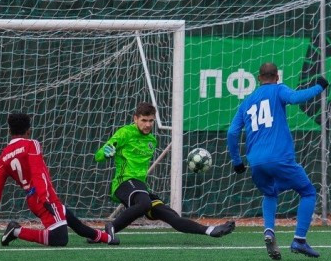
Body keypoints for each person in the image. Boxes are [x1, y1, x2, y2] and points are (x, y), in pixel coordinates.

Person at [227, 62, 328, 260]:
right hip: (279, 158)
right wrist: (320, 86)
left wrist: (237, 161)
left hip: (255, 161)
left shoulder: (246, 101)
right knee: (308, 192)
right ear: (277, 77)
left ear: (258, 78)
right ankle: (299, 240)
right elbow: (296, 97)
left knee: (269, 193)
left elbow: (232, 132)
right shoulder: (279, 90)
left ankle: (269, 230)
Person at [0, 113, 118, 246]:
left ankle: (107, 238)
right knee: (59, 239)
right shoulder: (31, 144)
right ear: (28, 130)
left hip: (32, 198)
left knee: (72, 221)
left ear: (9, 132)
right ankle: (16, 231)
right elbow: (38, 172)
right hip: (43, 197)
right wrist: (44, 197)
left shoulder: (4, 155)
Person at [95, 102, 235, 241]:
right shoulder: (124, 133)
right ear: (135, 119)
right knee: (145, 204)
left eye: (151, 121)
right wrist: (106, 153)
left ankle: (209, 230)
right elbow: (98, 155)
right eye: (144, 120)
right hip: (123, 182)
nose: (148, 124)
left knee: (170, 215)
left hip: (141, 187)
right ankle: (111, 226)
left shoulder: (152, 141)